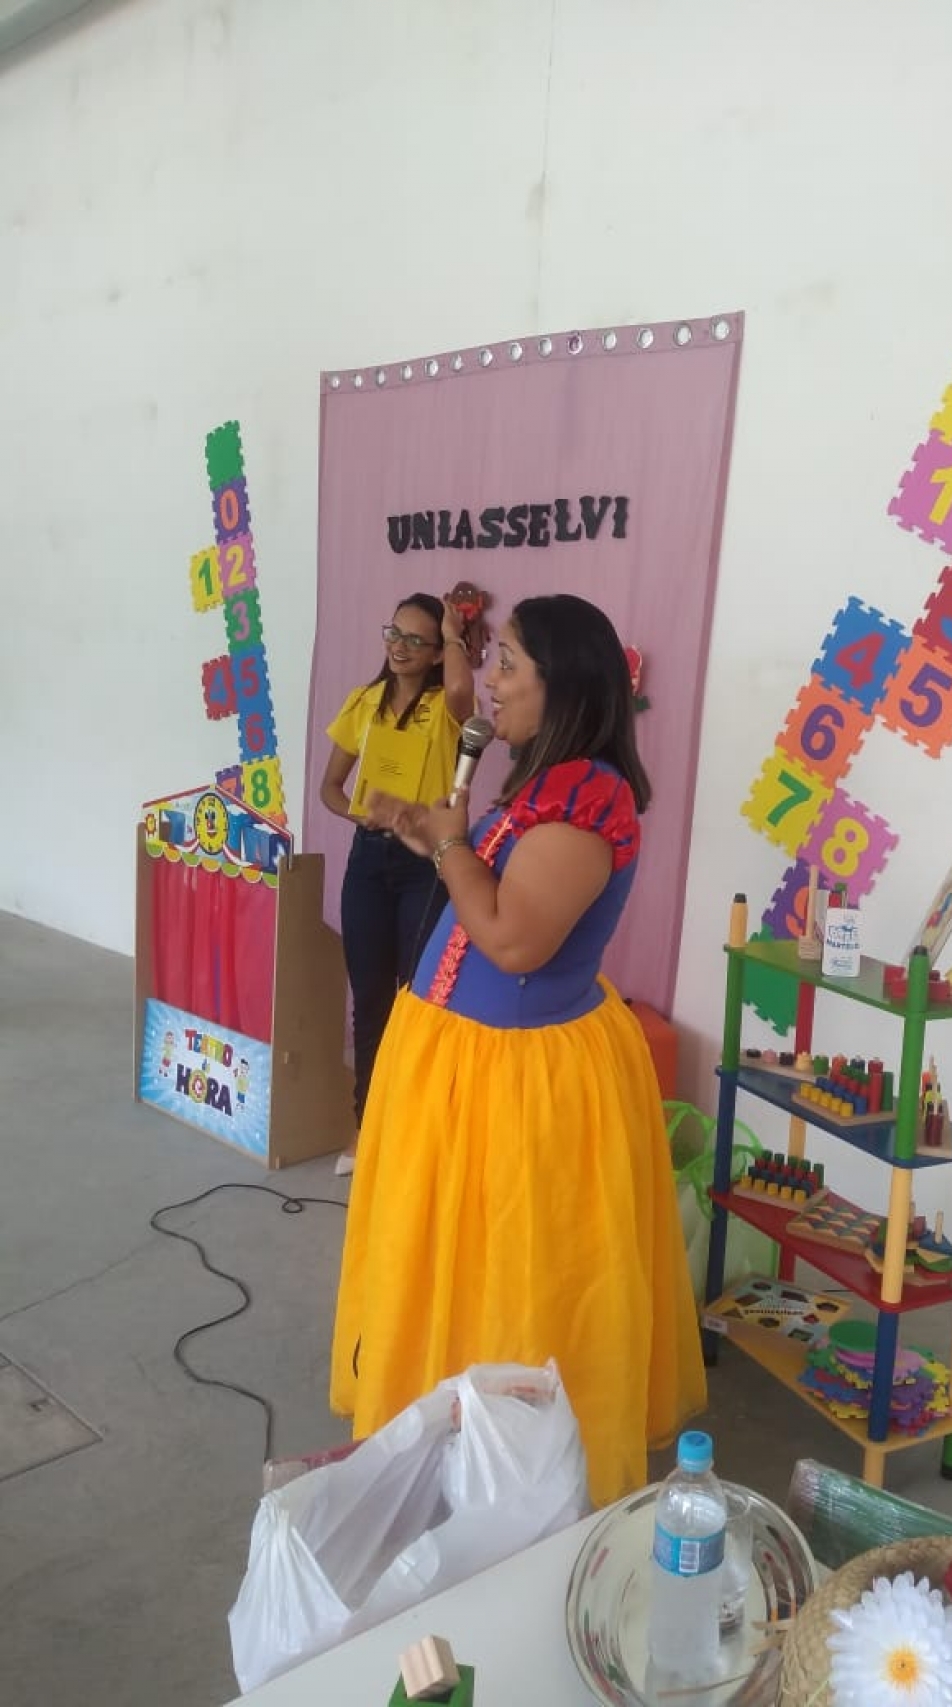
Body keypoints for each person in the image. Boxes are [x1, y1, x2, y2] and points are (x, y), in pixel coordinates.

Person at [329, 593, 707, 1505]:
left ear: (562, 684)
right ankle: (453, 1441)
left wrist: (449, 845)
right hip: (467, 1061)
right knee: (454, 1264)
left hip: (520, 1080)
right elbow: (487, 888)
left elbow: (511, 939)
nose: (485, 681)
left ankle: (516, 1472)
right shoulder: (545, 783)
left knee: (515, 1274)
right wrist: (435, 836)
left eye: (505, 663)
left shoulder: (587, 801)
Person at [318, 593, 475, 1174]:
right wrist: (358, 814)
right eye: (394, 634)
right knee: (370, 999)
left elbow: (462, 690)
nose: (400, 647)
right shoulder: (365, 702)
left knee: (417, 1001)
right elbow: (330, 788)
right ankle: (365, 1128)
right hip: (369, 861)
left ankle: (412, 1132)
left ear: (435, 653)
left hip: (424, 865)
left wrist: (455, 635)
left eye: (416, 640)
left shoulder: (448, 708)